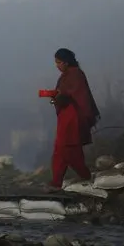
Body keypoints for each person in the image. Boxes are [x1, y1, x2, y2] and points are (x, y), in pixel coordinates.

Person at [46, 48, 100, 192]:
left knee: (69, 150)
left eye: (58, 62)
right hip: (65, 117)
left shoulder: (75, 74)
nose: (57, 65)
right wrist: (55, 97)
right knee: (60, 150)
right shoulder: (65, 76)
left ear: (66, 62)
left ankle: (85, 175)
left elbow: (77, 95)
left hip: (73, 117)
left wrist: (59, 96)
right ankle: (56, 182)